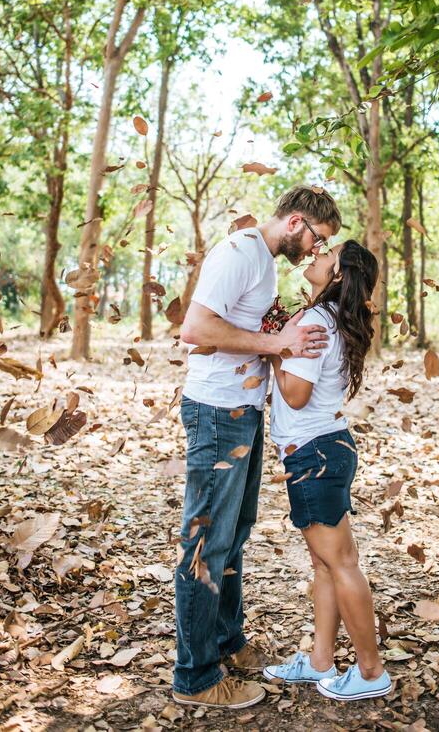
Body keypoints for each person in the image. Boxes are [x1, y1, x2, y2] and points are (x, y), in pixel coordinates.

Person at [173, 186, 342, 710]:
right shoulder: (241, 252)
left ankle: (227, 642)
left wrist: (275, 328)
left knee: (234, 535)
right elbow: (195, 327)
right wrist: (277, 343)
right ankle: (196, 677)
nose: (318, 252)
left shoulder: (263, 262)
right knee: (205, 541)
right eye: (319, 240)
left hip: (243, 412)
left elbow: (241, 326)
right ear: (295, 222)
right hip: (217, 413)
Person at [263, 240, 392, 702]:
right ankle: (320, 661)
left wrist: (276, 351)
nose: (314, 255)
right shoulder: (330, 318)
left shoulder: (318, 321)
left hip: (314, 454)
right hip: (324, 449)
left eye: (325, 254)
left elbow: (295, 395)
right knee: (325, 563)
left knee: (339, 563)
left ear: (337, 274)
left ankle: (371, 671)